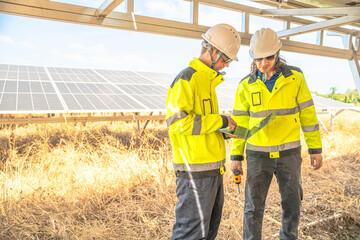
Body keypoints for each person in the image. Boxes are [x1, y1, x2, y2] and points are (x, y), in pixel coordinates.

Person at [230, 28, 323, 240]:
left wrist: (315, 148)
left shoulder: (296, 78)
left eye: (269, 57)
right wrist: (236, 156)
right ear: (253, 57)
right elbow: (240, 124)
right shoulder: (245, 85)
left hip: (288, 154)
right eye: (259, 58)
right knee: (253, 208)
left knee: (292, 205)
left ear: (278, 53)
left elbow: (308, 116)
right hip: (257, 155)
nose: (264, 62)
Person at [166, 23, 241, 240]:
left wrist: (222, 131)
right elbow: (178, 123)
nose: (226, 65)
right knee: (190, 234)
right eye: (226, 59)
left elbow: (201, 125)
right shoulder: (187, 78)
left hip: (213, 170)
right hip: (194, 173)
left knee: (208, 233)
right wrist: (219, 120)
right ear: (213, 50)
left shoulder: (207, 82)